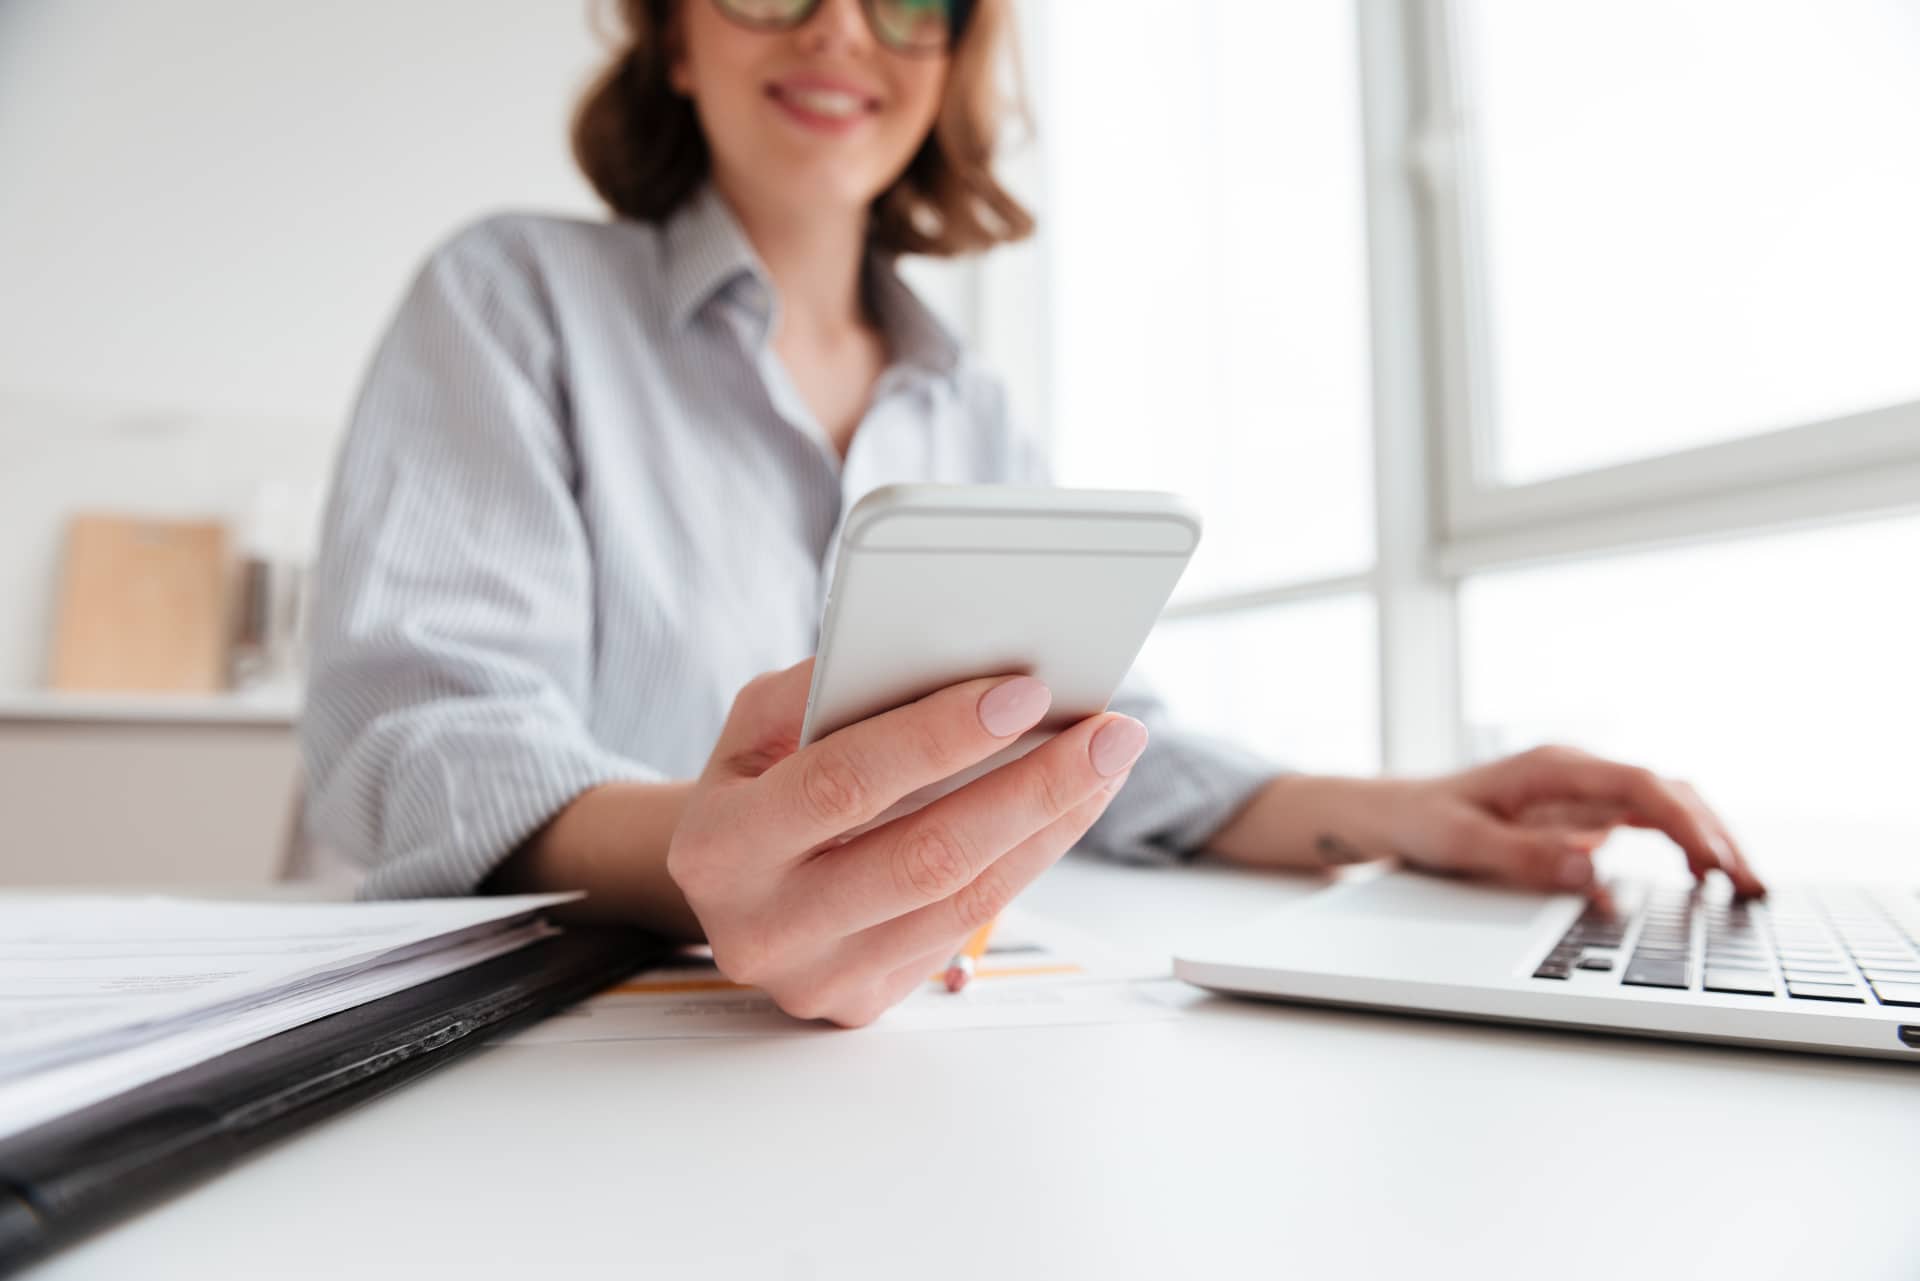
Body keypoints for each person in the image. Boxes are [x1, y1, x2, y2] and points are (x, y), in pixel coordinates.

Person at [300, 0, 1764, 1029]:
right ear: (674, 34)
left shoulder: (969, 403)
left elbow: (1098, 732)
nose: (838, 30)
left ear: (952, 56)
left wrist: (1401, 807)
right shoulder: (510, 298)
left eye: (908, 2)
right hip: (550, 1053)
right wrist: (710, 849)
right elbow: (417, 739)